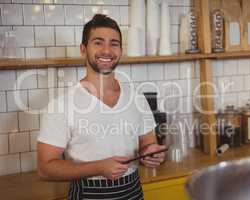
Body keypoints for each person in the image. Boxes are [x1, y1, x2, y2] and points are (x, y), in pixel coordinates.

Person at [37, 14, 166, 200]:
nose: (107, 50)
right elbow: (45, 168)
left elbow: (147, 143)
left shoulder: (137, 98)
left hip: (133, 192)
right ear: (83, 49)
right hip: (88, 193)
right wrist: (97, 168)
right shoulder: (61, 105)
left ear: (121, 50)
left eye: (114, 43)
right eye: (98, 42)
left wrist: (151, 153)